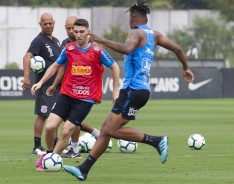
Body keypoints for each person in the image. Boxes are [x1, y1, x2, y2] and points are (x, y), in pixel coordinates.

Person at [63, 1, 195, 181]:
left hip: (133, 89)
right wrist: (186, 68)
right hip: (137, 90)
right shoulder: (154, 35)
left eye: (129, 17)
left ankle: (156, 141)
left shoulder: (136, 32)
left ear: (132, 17)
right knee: (105, 130)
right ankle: (84, 169)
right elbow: (178, 49)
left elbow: (127, 48)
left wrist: (101, 39)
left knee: (111, 130)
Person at [31, 18, 120, 171]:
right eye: (75, 31)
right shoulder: (69, 49)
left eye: (81, 32)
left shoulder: (97, 51)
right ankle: (48, 153)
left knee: (66, 131)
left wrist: (116, 90)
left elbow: (115, 67)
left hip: (85, 99)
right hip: (66, 94)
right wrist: (40, 82)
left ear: (88, 32)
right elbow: (55, 66)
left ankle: (51, 161)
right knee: (50, 127)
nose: (78, 34)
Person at [59, 16, 101, 159]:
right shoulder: (65, 44)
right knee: (68, 120)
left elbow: (98, 69)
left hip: (81, 90)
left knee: (72, 121)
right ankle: (96, 134)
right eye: (69, 28)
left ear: (86, 31)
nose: (73, 32)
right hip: (65, 87)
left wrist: (95, 91)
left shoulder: (93, 47)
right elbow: (59, 66)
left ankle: (73, 149)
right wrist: (54, 84)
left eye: (76, 29)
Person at [22, 12, 64, 155]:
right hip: (45, 85)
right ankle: (37, 146)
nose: (48, 26)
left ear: (54, 23)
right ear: (40, 24)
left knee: (56, 116)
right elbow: (27, 56)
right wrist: (27, 77)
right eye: (45, 23)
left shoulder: (57, 41)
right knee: (42, 115)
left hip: (57, 85)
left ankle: (55, 144)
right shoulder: (38, 40)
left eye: (50, 23)